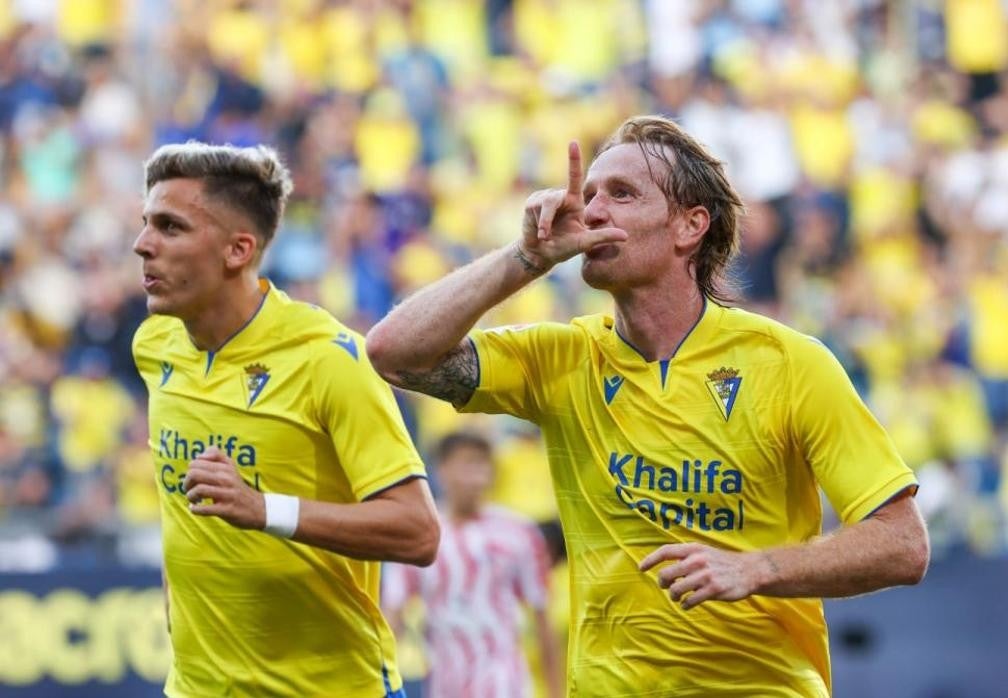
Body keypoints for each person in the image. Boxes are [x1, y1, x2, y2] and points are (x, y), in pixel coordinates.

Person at [366, 115, 929, 696]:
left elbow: (902, 543)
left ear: (690, 226)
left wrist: (755, 567)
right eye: (589, 197)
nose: (592, 212)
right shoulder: (564, 358)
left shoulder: (789, 363)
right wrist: (526, 257)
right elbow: (393, 353)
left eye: (622, 194)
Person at [131, 142, 440, 698]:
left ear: (238, 250)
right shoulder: (156, 344)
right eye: (146, 223)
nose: (142, 245)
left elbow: (418, 532)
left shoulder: (329, 358)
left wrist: (262, 508)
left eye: (170, 228)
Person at [382, 431, 562, 698]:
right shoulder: (421, 535)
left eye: (481, 463)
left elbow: (543, 619)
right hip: (445, 684)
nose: (476, 474)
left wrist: (555, 692)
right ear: (441, 469)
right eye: (466, 463)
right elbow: (393, 616)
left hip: (505, 684)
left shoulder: (519, 533)